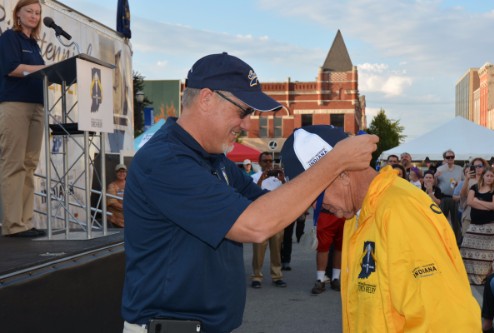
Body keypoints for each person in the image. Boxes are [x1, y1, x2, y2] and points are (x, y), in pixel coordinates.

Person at [120, 52, 378, 333]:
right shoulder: (166, 160)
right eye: (243, 112)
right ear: (206, 99)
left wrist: (341, 196)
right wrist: (335, 162)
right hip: (170, 327)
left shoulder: (215, 160)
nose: (246, 124)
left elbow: (271, 206)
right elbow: (255, 225)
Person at [281, 125, 481, 332]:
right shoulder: (358, 214)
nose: (315, 207)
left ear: (343, 175)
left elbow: (449, 319)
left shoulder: (400, 211)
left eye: (315, 196)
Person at [0, 0, 46, 238]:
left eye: (37, 12)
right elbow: (12, 68)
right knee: (14, 164)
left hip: (37, 105)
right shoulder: (9, 38)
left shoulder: (34, 44)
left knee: (29, 165)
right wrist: (44, 69)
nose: (34, 16)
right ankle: (12, 225)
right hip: (15, 105)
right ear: (18, 14)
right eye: (29, 11)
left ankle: (25, 222)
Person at [250, 152, 287, 288]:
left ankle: (277, 275)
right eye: (265, 161)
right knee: (259, 249)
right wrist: (261, 178)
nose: (268, 163)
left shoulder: (278, 179)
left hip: (276, 218)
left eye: (270, 161)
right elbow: (253, 194)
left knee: (276, 249)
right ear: (259, 163)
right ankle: (257, 276)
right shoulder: (254, 178)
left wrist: (283, 180)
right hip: (260, 218)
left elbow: (286, 195)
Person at [460, 167, 494, 285]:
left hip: (489, 227)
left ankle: (481, 278)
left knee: (485, 254)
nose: (489, 178)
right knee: (466, 248)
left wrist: (478, 201)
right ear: (483, 176)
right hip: (474, 225)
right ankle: (466, 277)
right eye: (487, 175)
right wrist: (482, 203)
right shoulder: (474, 187)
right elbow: (469, 202)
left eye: (492, 176)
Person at [311, 210, 345, 294]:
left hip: (344, 213)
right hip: (326, 212)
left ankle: (335, 278)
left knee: (340, 246)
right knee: (322, 247)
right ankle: (320, 279)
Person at [435, 149, 464, 245]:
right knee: (441, 220)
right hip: (443, 197)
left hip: (456, 197)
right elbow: (435, 184)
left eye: (452, 156)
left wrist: (459, 186)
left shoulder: (460, 168)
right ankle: (441, 241)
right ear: (444, 158)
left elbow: (464, 182)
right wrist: (435, 177)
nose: (450, 158)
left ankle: (457, 242)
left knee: (456, 221)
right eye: (448, 157)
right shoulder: (440, 169)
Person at [106, 163, 127, 228]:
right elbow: (113, 203)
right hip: (116, 222)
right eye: (119, 172)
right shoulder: (112, 186)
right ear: (116, 173)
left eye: (123, 172)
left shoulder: (130, 184)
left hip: (129, 221)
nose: (121, 174)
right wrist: (129, 208)